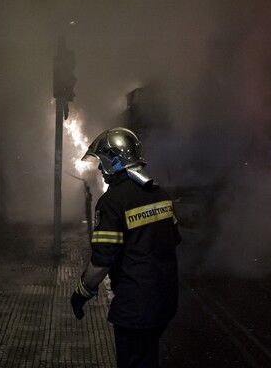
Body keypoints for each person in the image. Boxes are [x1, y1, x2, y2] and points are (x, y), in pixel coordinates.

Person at [70, 127, 181, 368]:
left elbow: (101, 263)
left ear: (115, 160)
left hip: (136, 307)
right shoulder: (160, 194)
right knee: (148, 358)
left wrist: (81, 292)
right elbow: (173, 238)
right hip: (165, 301)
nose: (100, 168)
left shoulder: (112, 202)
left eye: (102, 161)